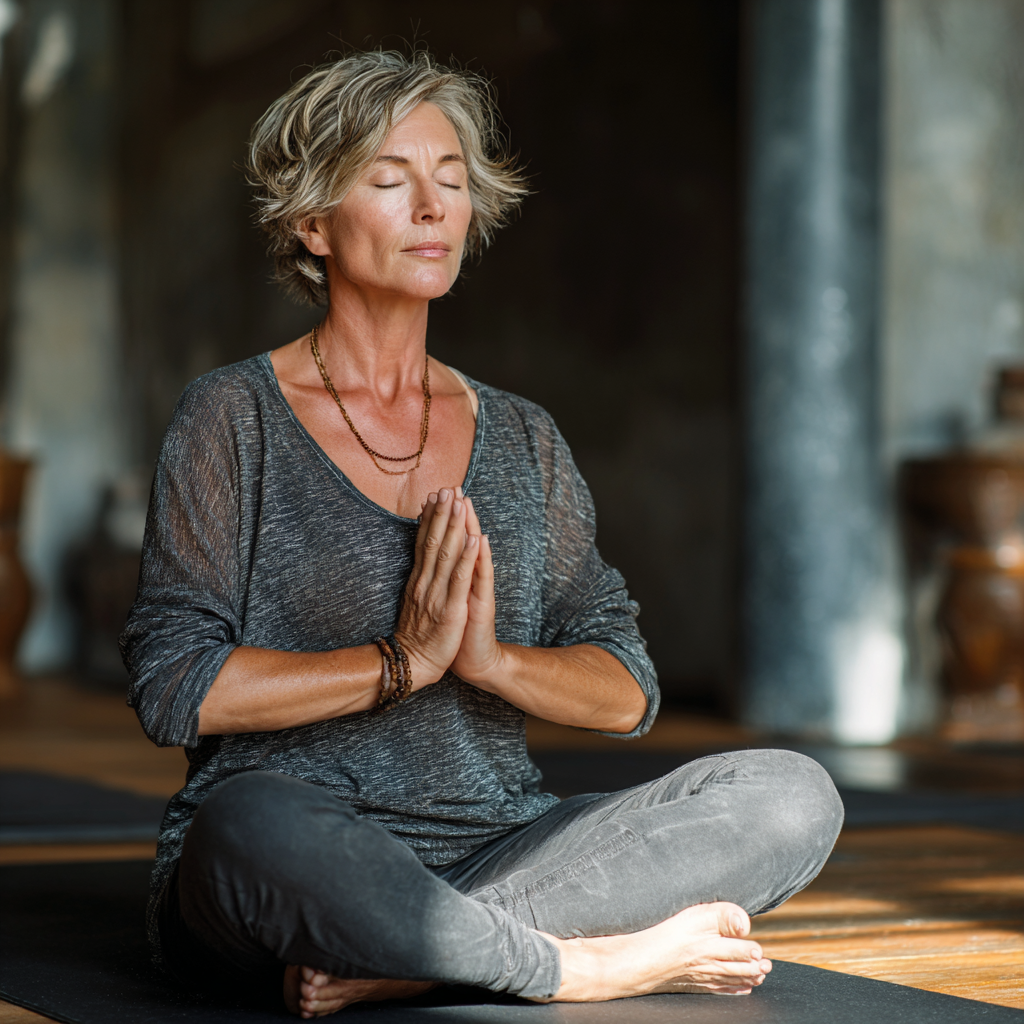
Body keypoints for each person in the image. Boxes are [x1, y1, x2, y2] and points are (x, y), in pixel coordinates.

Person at [121, 49, 843, 1018]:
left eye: (451, 180)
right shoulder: (231, 418)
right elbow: (174, 689)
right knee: (245, 823)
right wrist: (400, 661)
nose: (432, 207)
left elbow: (625, 688)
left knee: (789, 793)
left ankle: (411, 956)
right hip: (301, 842)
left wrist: (490, 660)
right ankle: (576, 965)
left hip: (506, 841)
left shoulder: (523, 435)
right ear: (310, 223)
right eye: (390, 180)